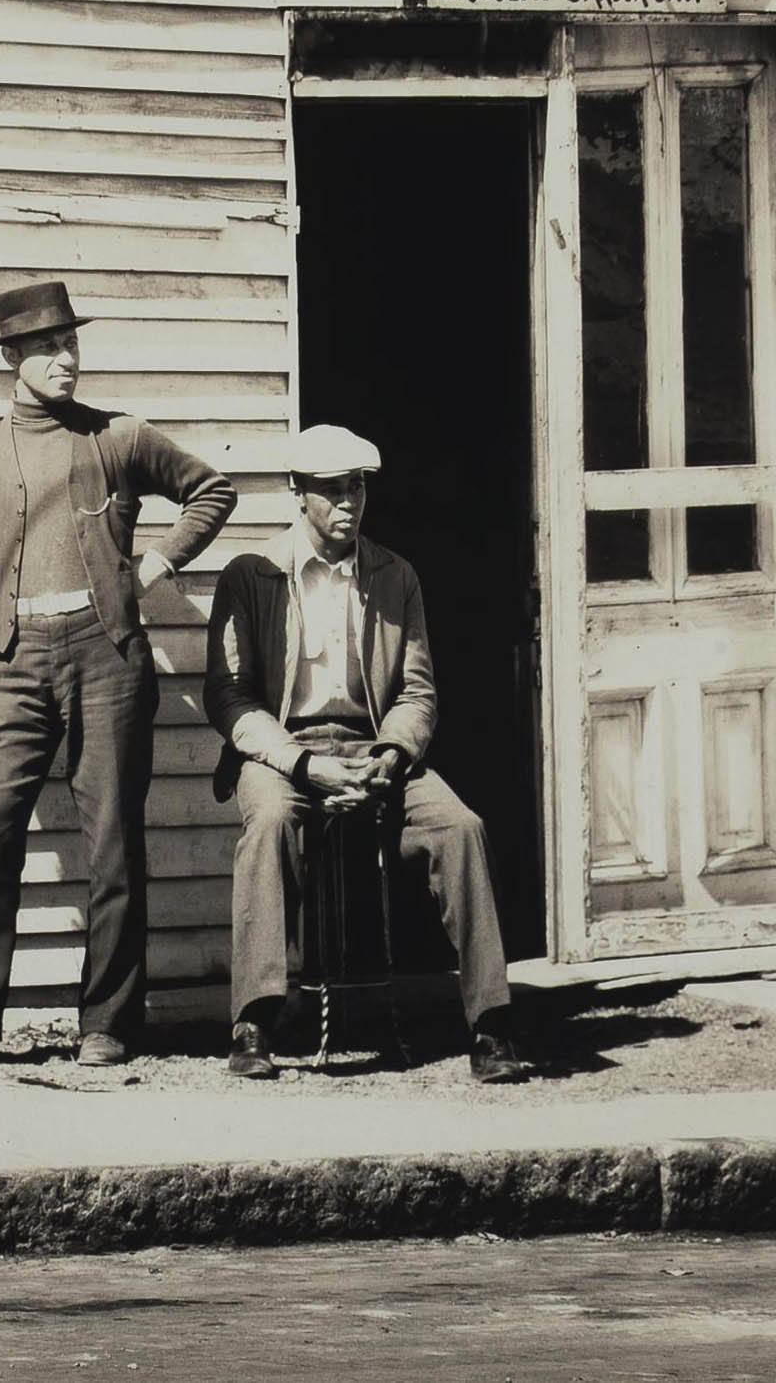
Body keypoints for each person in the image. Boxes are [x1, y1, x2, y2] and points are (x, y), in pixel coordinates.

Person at [0, 281, 237, 1067]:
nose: (65, 359)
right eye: (48, 347)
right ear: (14, 358)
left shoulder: (116, 437)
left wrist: (155, 562)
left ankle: (109, 1024)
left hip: (107, 657)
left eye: (71, 344)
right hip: (12, 661)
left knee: (114, 842)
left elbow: (210, 490)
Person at [205, 425, 534, 1084]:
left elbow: (417, 689)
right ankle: (255, 1023)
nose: (348, 501)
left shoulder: (394, 575)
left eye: (356, 486)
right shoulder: (253, 576)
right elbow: (230, 697)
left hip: (375, 751)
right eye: (331, 489)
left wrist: (392, 753)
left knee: (461, 826)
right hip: (284, 755)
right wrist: (302, 764)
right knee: (269, 823)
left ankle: (491, 1026)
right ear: (296, 494)